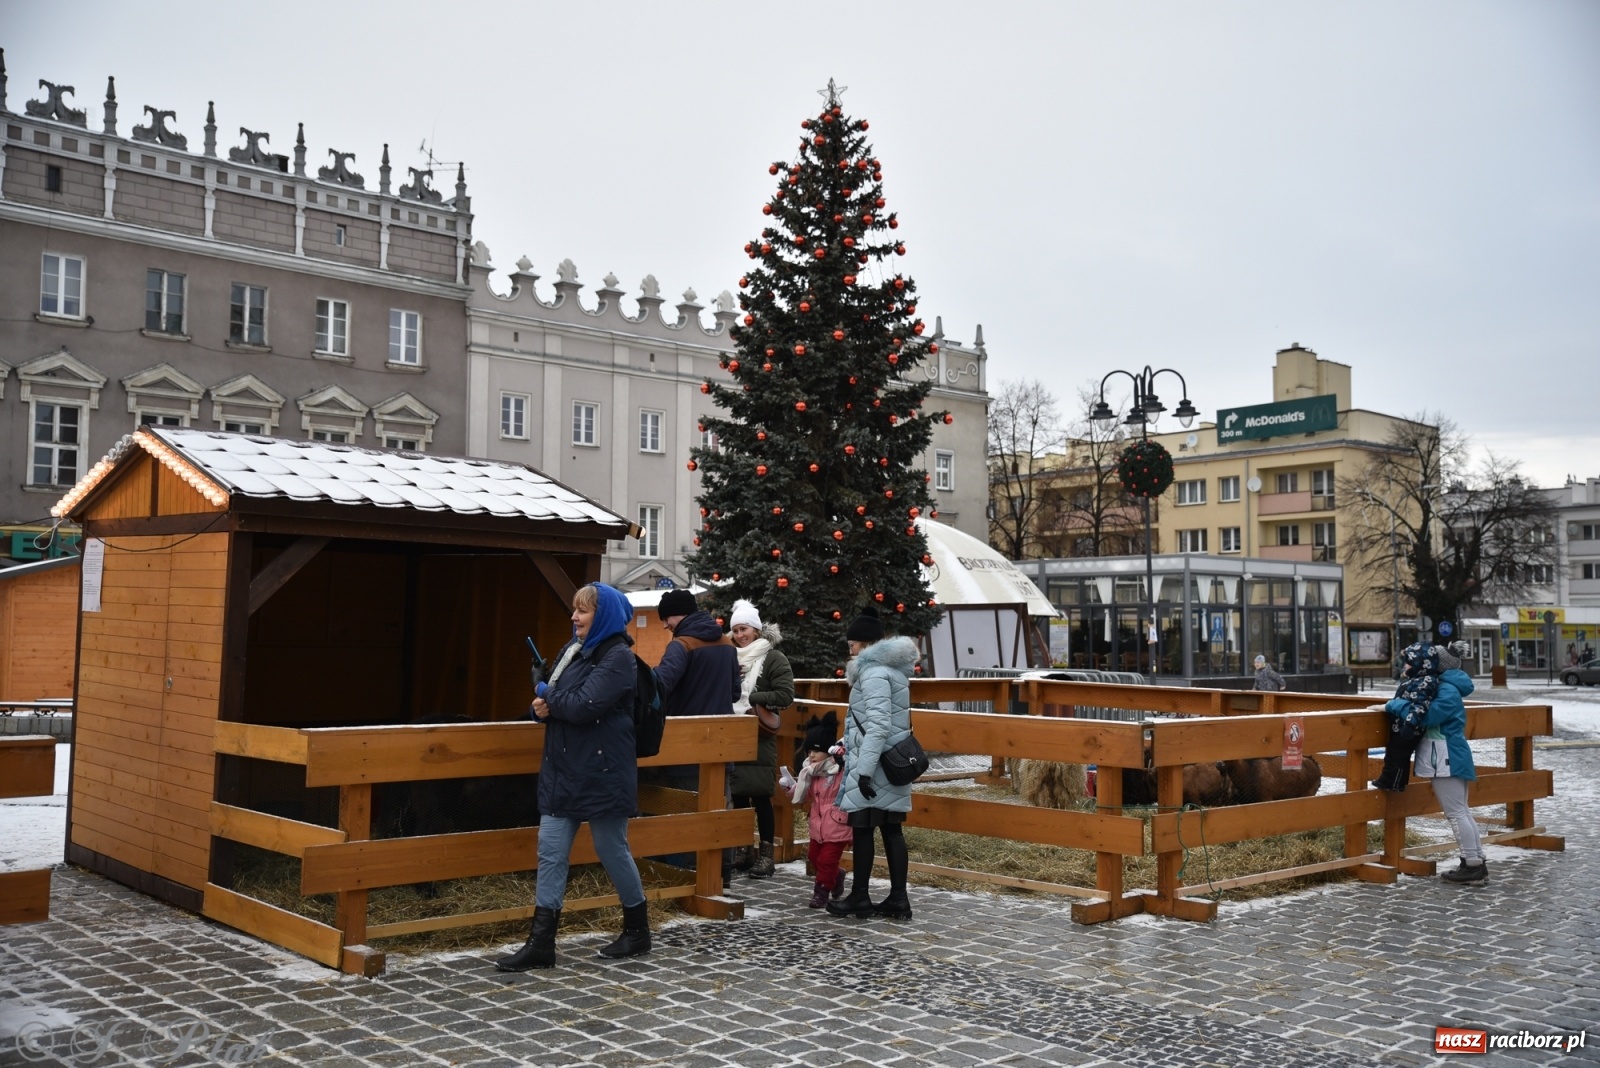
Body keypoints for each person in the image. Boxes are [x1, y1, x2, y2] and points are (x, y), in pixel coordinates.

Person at [496, 582, 649, 971]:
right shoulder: (572, 651)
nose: (574, 617)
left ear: (604, 616)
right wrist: (539, 707)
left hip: (602, 771)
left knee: (611, 849)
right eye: (575, 610)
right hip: (564, 770)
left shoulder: (619, 658)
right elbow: (556, 703)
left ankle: (637, 930)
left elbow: (582, 705)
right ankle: (541, 944)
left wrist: (544, 689)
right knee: (550, 850)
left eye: (583, 611)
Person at [827, 607, 918, 921]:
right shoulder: (893, 671)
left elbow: (877, 726)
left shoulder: (873, 673)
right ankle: (897, 898)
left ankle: (860, 897)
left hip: (875, 764)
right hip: (889, 762)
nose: (849, 648)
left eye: (852, 642)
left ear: (863, 644)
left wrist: (863, 770)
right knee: (892, 830)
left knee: (864, 829)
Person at [727, 599, 795, 880]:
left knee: (762, 798)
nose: (740, 636)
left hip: (759, 736)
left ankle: (766, 856)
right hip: (735, 733)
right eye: (735, 631)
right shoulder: (730, 656)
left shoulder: (773, 658)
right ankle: (744, 851)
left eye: (744, 629)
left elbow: (785, 695)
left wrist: (752, 698)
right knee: (740, 795)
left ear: (755, 630)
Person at [1409, 641, 1485, 884]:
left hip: (1445, 755)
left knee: (1455, 813)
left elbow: (1428, 716)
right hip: (1450, 754)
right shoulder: (1450, 686)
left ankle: (1472, 865)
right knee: (1461, 811)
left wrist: (1398, 705)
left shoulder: (1447, 690)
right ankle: (1476, 862)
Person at [789, 711, 851, 907]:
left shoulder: (838, 768)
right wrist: (791, 788)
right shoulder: (810, 771)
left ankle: (821, 892)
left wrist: (843, 756)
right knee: (814, 857)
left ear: (828, 750)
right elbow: (806, 793)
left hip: (837, 823)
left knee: (826, 860)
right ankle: (837, 875)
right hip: (818, 824)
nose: (811, 755)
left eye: (816, 751)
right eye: (809, 751)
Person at [1371, 641, 1443, 792]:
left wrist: (1410, 725)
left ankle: (1389, 781)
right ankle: (1397, 782)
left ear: (1420, 664)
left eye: (1409, 663)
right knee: (1397, 755)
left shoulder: (1425, 682)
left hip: (1408, 726)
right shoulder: (1418, 679)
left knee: (1396, 755)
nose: (1405, 666)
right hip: (1403, 724)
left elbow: (1420, 706)